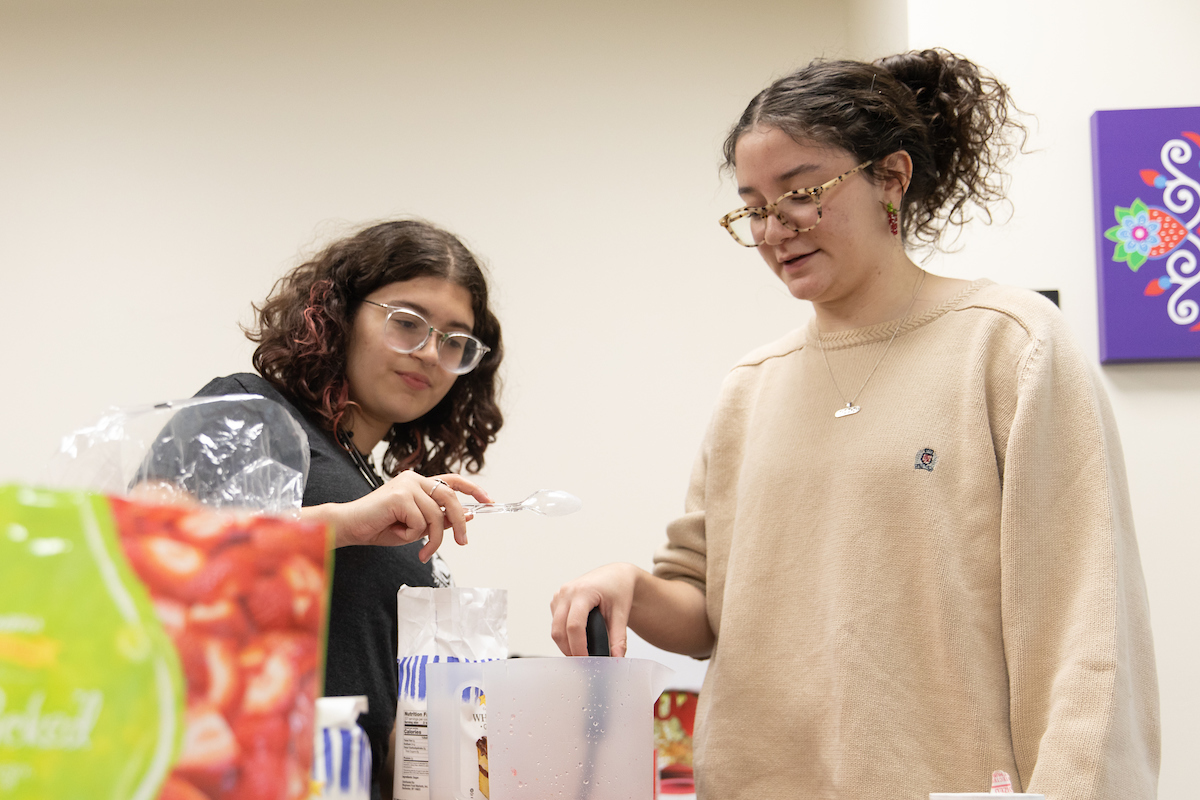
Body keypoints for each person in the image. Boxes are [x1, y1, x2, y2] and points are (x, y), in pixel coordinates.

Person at [550, 49, 1159, 799]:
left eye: (802, 192)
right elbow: (708, 610)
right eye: (755, 206)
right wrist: (628, 586)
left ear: (891, 178)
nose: (777, 229)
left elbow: (1083, 622)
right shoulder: (752, 388)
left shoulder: (1008, 342)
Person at [191, 219, 503, 799]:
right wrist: (341, 523)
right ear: (338, 314)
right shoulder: (250, 413)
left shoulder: (380, 485)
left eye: (454, 342)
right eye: (407, 323)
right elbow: (160, 563)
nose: (431, 354)